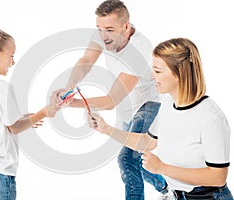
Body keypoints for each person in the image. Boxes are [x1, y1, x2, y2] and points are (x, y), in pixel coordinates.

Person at [51, 0, 171, 199]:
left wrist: (75, 103)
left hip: (149, 106)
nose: (103, 36)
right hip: (128, 107)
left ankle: (165, 190)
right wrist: (68, 86)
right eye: (99, 29)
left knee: (127, 159)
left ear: (126, 26)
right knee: (140, 160)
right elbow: (86, 61)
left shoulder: (139, 50)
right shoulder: (102, 34)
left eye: (109, 29)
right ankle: (166, 189)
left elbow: (110, 100)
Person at [88, 37, 233, 199]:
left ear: (179, 73)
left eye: (157, 71)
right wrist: (106, 129)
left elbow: (218, 177)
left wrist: (162, 168)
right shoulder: (167, 105)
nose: (151, 76)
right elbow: (147, 142)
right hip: (177, 195)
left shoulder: (210, 118)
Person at [0, 28, 59, 200]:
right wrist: (44, 113)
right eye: (11, 56)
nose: (13, 62)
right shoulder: (1, 88)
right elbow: (14, 127)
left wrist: (28, 117)